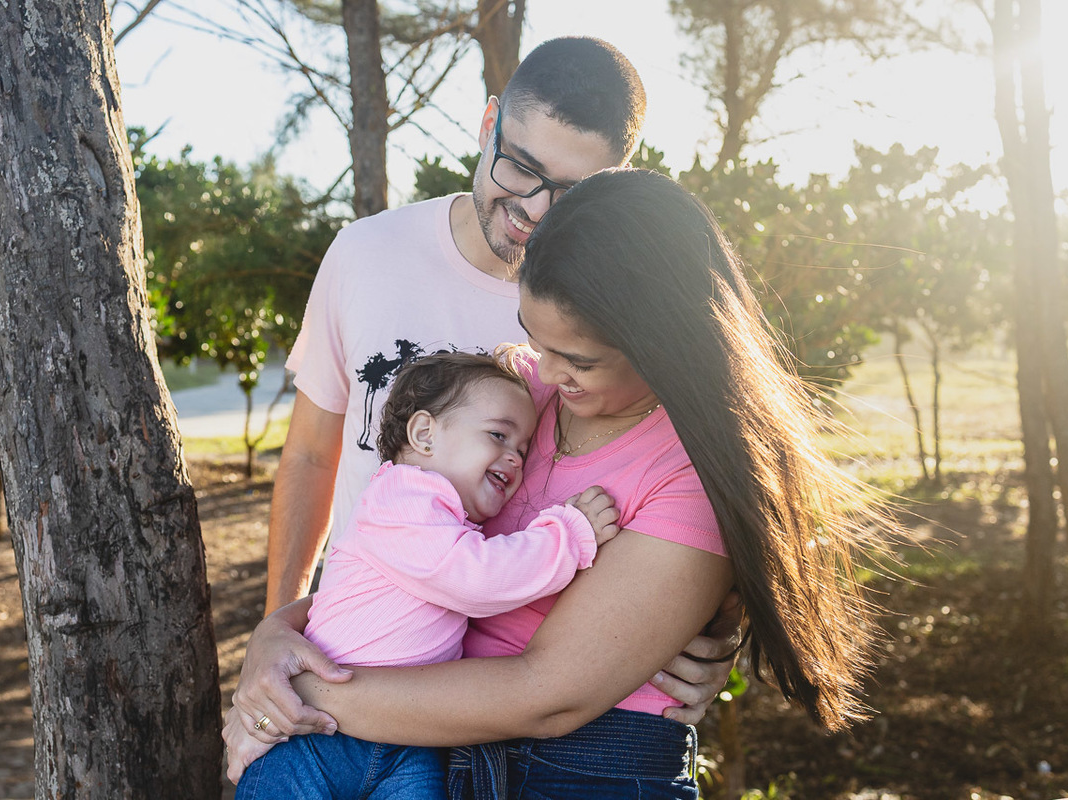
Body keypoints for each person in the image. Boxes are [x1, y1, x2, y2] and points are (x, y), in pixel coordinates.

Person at [229, 169, 889, 798]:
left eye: (578, 360)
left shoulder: (694, 473)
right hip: (425, 738)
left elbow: (548, 695)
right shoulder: (516, 398)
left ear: (663, 344)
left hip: (582, 769)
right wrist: (276, 637)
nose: (544, 371)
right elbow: (402, 544)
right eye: (534, 338)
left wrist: (303, 697)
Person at [253, 35, 741, 750]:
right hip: (359, 654)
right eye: (521, 167)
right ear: (489, 125)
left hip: (474, 699)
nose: (535, 209)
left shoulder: (613, 313)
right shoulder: (366, 254)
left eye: (571, 192)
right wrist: (278, 632)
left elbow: (682, 475)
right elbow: (310, 459)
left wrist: (708, 621)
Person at [229, 351, 621, 797]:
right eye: (498, 435)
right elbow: (477, 577)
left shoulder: (444, 517)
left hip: (409, 736)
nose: (514, 458)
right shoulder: (402, 499)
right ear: (424, 434)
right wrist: (569, 535)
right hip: (319, 737)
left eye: (523, 450)